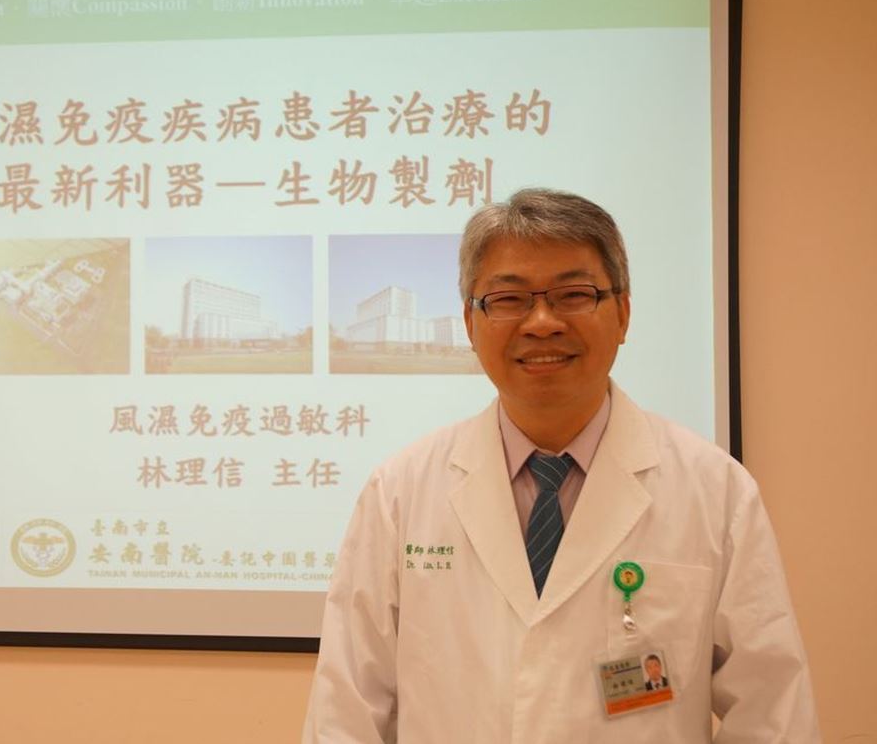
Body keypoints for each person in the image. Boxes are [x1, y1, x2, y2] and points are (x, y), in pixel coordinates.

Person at [303, 189, 819, 742]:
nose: (542, 322)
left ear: (622, 313)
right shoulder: (400, 492)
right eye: (508, 299)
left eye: (574, 295)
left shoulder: (715, 491)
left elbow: (773, 714)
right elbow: (346, 715)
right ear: (470, 324)